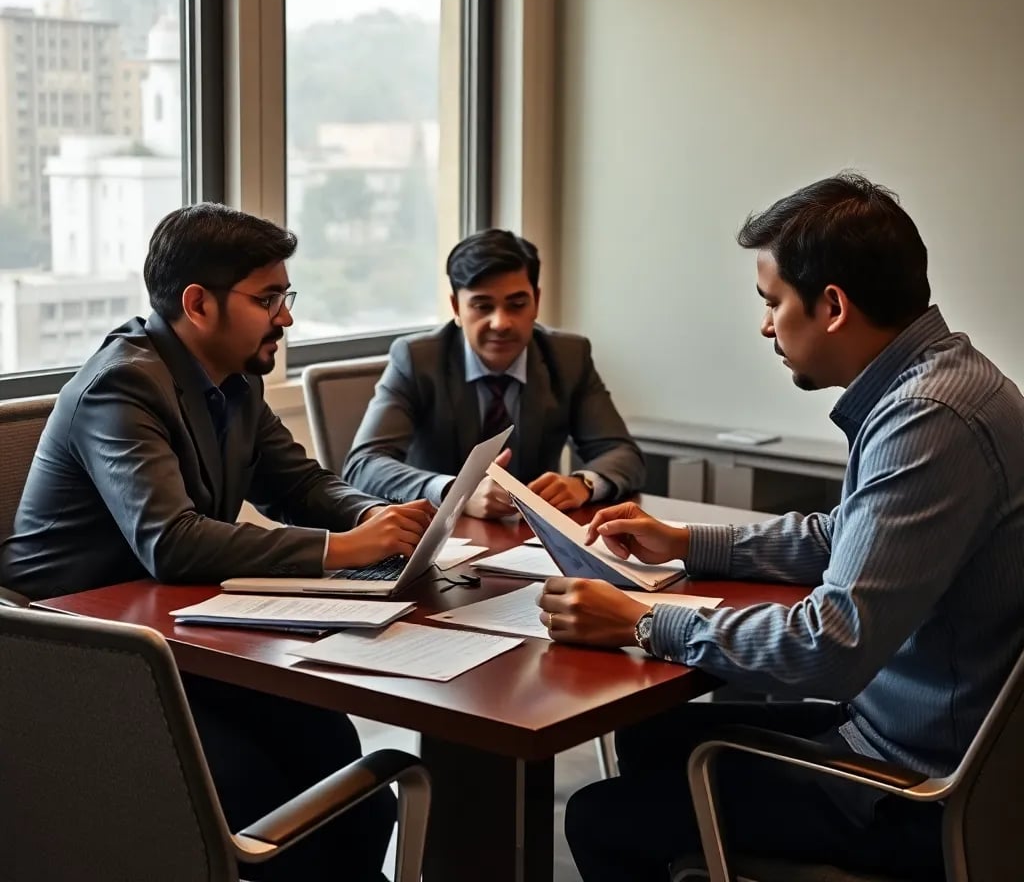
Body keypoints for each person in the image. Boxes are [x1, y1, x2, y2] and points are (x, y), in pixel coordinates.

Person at [536, 173, 1024, 881]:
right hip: (927, 736)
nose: (766, 326)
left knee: (601, 819)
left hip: (915, 789)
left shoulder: (929, 420)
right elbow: (849, 536)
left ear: (831, 306)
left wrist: (642, 619)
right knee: (653, 741)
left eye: (772, 303)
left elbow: (832, 646)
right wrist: (685, 541)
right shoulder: (945, 380)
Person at [1, 204, 436, 882]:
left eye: (285, 296)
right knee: (255, 787)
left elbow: (301, 484)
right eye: (268, 299)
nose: (285, 317)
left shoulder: (234, 379)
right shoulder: (124, 385)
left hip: (175, 637)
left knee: (332, 746)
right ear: (198, 304)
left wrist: (387, 520)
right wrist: (342, 550)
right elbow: (170, 543)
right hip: (80, 659)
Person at [344, 228, 645, 518]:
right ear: (456, 308)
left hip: (532, 540)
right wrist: (455, 492)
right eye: (482, 306)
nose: (501, 323)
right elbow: (364, 465)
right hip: (441, 540)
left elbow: (622, 453)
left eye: (516, 304)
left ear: (536, 302)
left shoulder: (568, 357)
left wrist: (584, 484)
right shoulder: (417, 359)